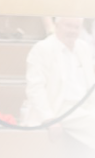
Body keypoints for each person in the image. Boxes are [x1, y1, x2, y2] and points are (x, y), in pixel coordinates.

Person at [21, 17, 95, 149]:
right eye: (68, 26)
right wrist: (48, 119)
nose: (72, 31)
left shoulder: (83, 47)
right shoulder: (42, 49)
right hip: (58, 106)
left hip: (86, 104)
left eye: (76, 27)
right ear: (57, 26)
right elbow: (35, 88)